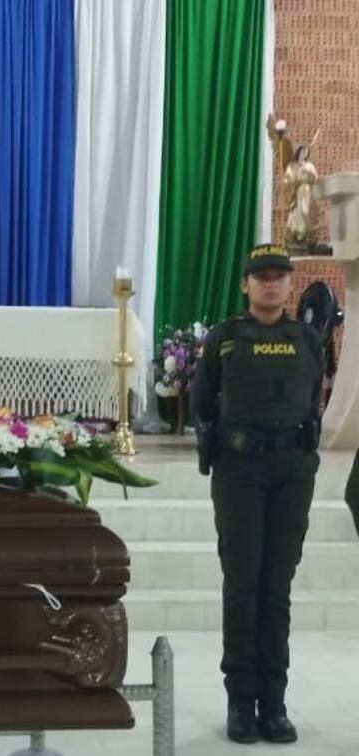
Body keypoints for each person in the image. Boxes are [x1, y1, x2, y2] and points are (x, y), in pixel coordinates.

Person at [193, 243, 324, 746]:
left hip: (292, 472)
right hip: (239, 471)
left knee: (276, 589)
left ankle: (273, 704)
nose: (270, 284)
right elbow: (204, 405)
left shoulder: (308, 339)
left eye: (278, 276)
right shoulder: (224, 339)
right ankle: (239, 703)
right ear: (245, 285)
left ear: (290, 284)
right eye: (261, 276)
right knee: (242, 585)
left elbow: (313, 401)